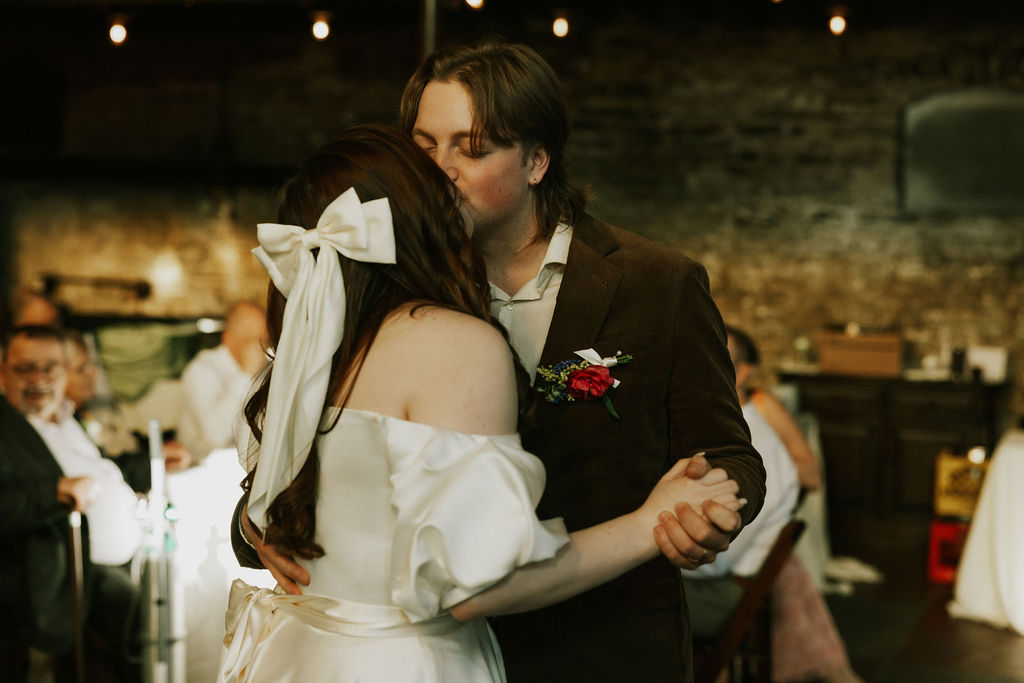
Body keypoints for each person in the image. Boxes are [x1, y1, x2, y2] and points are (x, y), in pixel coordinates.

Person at [234, 39, 767, 683]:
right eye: (425, 146)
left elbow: (730, 452)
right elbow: (307, 444)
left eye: (472, 147)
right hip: (437, 646)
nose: (441, 169)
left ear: (537, 161)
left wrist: (704, 513)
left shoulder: (657, 283)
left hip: (602, 644)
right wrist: (254, 522)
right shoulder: (390, 288)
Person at [686, 326, 862, 683]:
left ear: (743, 372)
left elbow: (720, 558)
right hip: (712, 577)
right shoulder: (722, 426)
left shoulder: (750, 441)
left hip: (721, 589)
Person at [0, 325, 141, 683]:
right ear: (3, 370)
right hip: (49, 592)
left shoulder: (66, 417)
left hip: (97, 573)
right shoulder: (7, 426)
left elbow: (97, 470)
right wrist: (55, 490)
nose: (39, 378)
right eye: (25, 368)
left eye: (50, 367)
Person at [64, 330, 191, 490]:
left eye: (91, 364)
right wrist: (152, 460)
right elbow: (108, 476)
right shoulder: (64, 427)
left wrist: (159, 456)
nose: (93, 374)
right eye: (81, 369)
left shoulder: (82, 414)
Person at [177, 300, 267, 462]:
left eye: (262, 338)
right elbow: (215, 436)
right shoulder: (201, 370)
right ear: (227, 337)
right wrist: (246, 375)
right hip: (199, 467)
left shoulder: (266, 367)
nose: (258, 346)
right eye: (249, 338)